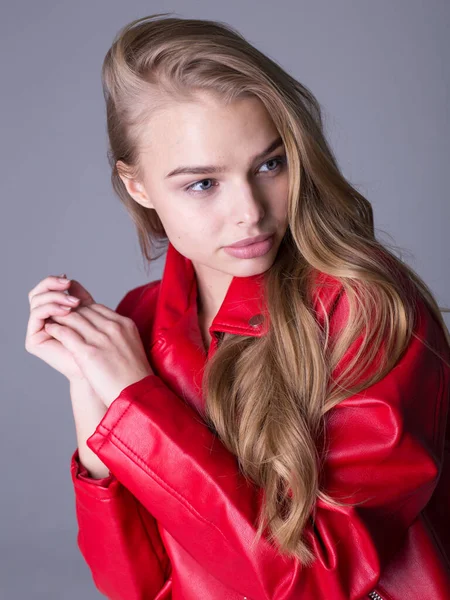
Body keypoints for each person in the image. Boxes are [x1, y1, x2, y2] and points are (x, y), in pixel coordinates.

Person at [25, 13, 450, 600]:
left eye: (269, 164)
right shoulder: (139, 322)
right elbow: (135, 586)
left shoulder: (365, 309)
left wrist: (136, 406)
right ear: (138, 186)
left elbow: (318, 581)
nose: (249, 211)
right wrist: (90, 392)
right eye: (203, 183)